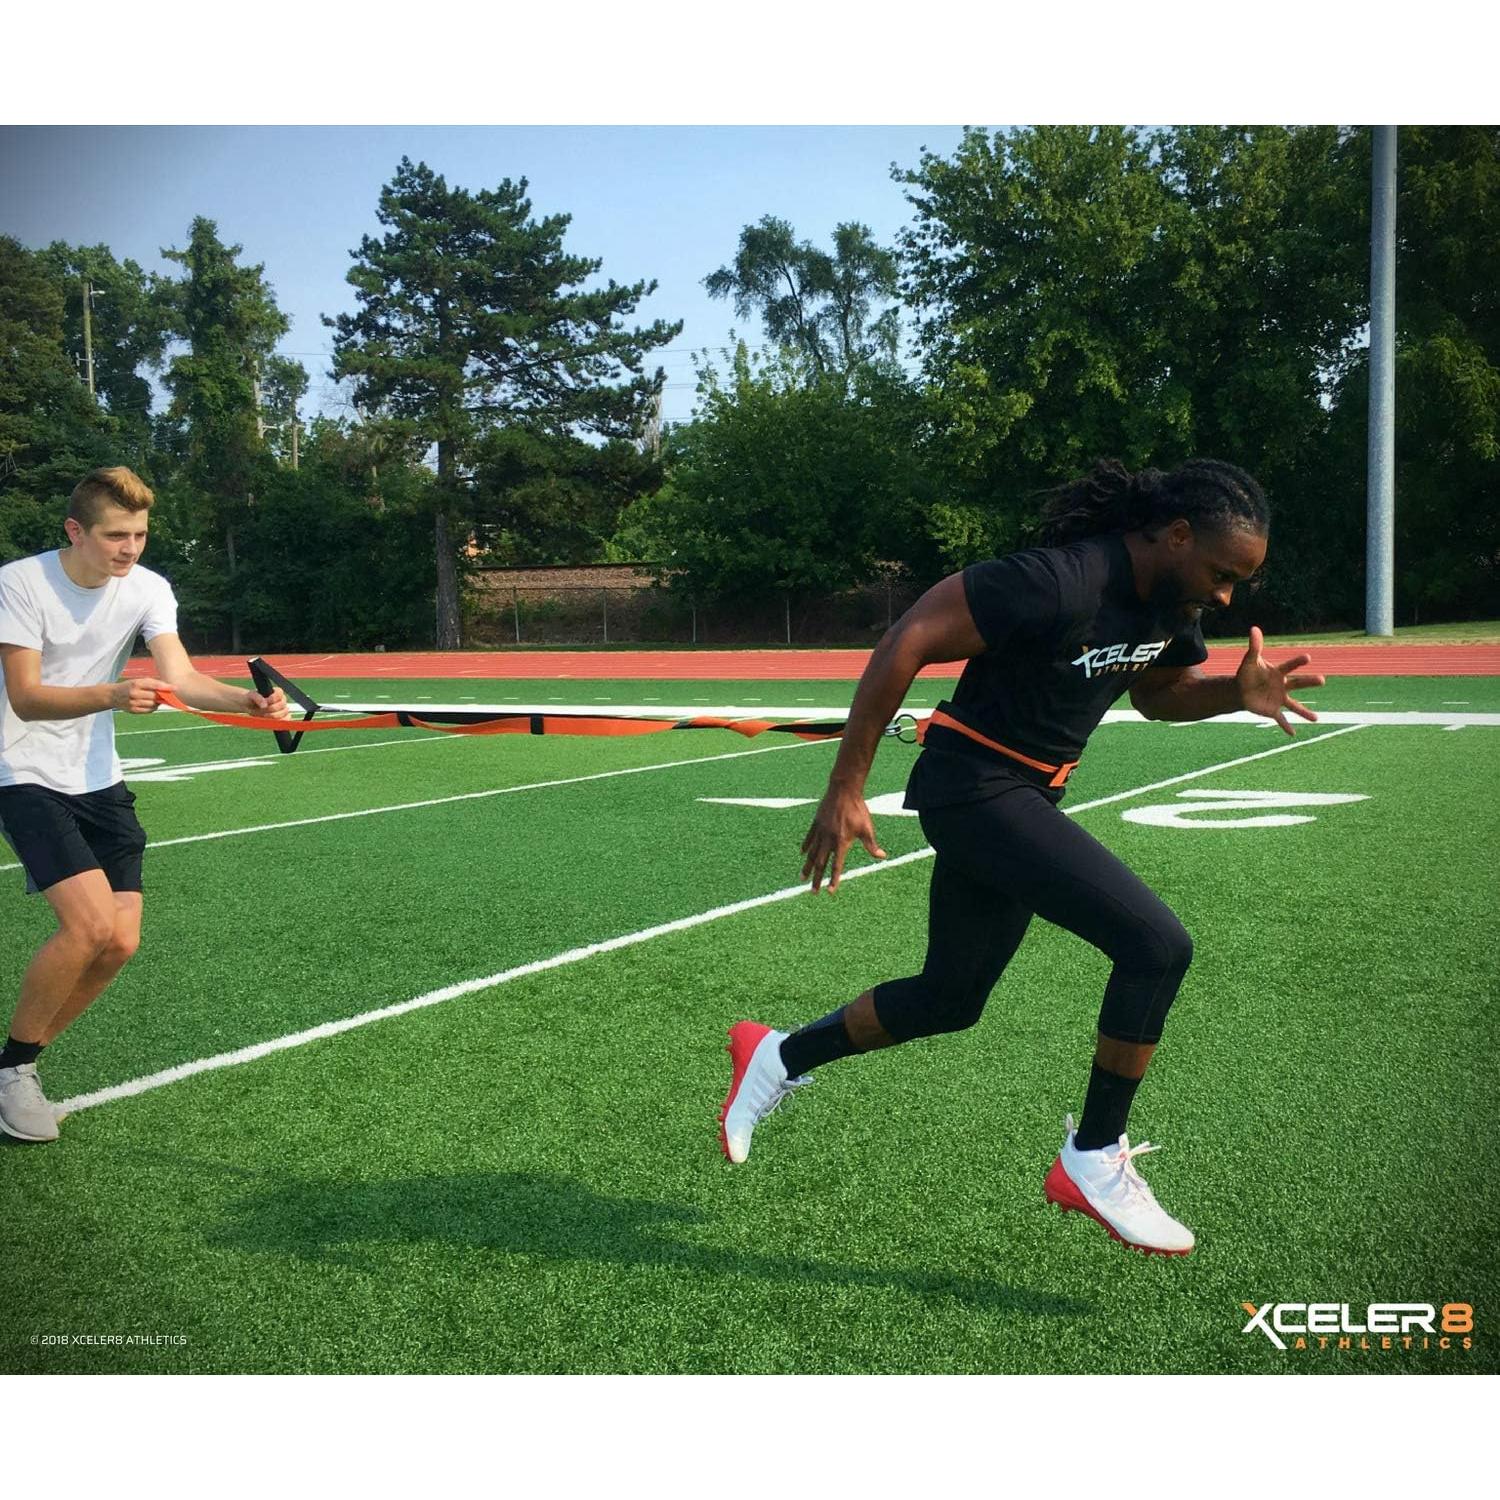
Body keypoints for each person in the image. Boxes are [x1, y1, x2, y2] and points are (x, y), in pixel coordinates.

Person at [718, 458, 1324, 1255]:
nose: (1224, 596)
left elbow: (1158, 694)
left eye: (1237, 583)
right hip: (973, 789)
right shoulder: (1058, 581)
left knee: (950, 998)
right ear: (1176, 534)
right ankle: (1094, 1157)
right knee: (1156, 946)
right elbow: (908, 641)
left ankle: (778, 1054)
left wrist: (1232, 694)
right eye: (1220, 573)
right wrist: (846, 787)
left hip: (1026, 798)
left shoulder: (1174, 603)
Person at [0, 466, 289, 1143]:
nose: (129, 549)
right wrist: (110, 694)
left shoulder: (149, 588)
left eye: (139, 535)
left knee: (120, 939)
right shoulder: (20, 584)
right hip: (21, 769)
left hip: (97, 774)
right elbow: (26, 697)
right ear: (76, 531)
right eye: (114, 535)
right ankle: (15, 1073)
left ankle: (17, 1063)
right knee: (87, 927)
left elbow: (183, 677)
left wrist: (244, 701)